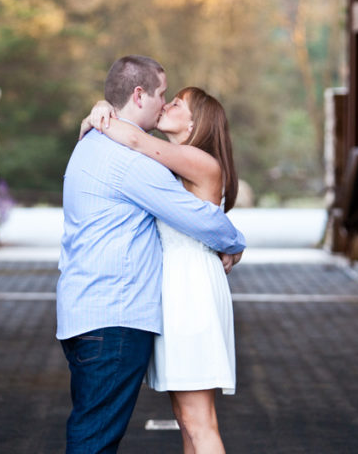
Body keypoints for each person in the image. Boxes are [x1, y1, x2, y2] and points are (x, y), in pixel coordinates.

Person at [57, 55, 245, 454]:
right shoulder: (144, 163)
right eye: (165, 96)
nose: (166, 104)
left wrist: (103, 113)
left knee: (195, 422)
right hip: (151, 303)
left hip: (186, 296)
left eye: (177, 102)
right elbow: (137, 145)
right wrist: (104, 110)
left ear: (195, 125)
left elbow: (140, 143)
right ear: (140, 94)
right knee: (185, 422)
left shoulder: (183, 161)